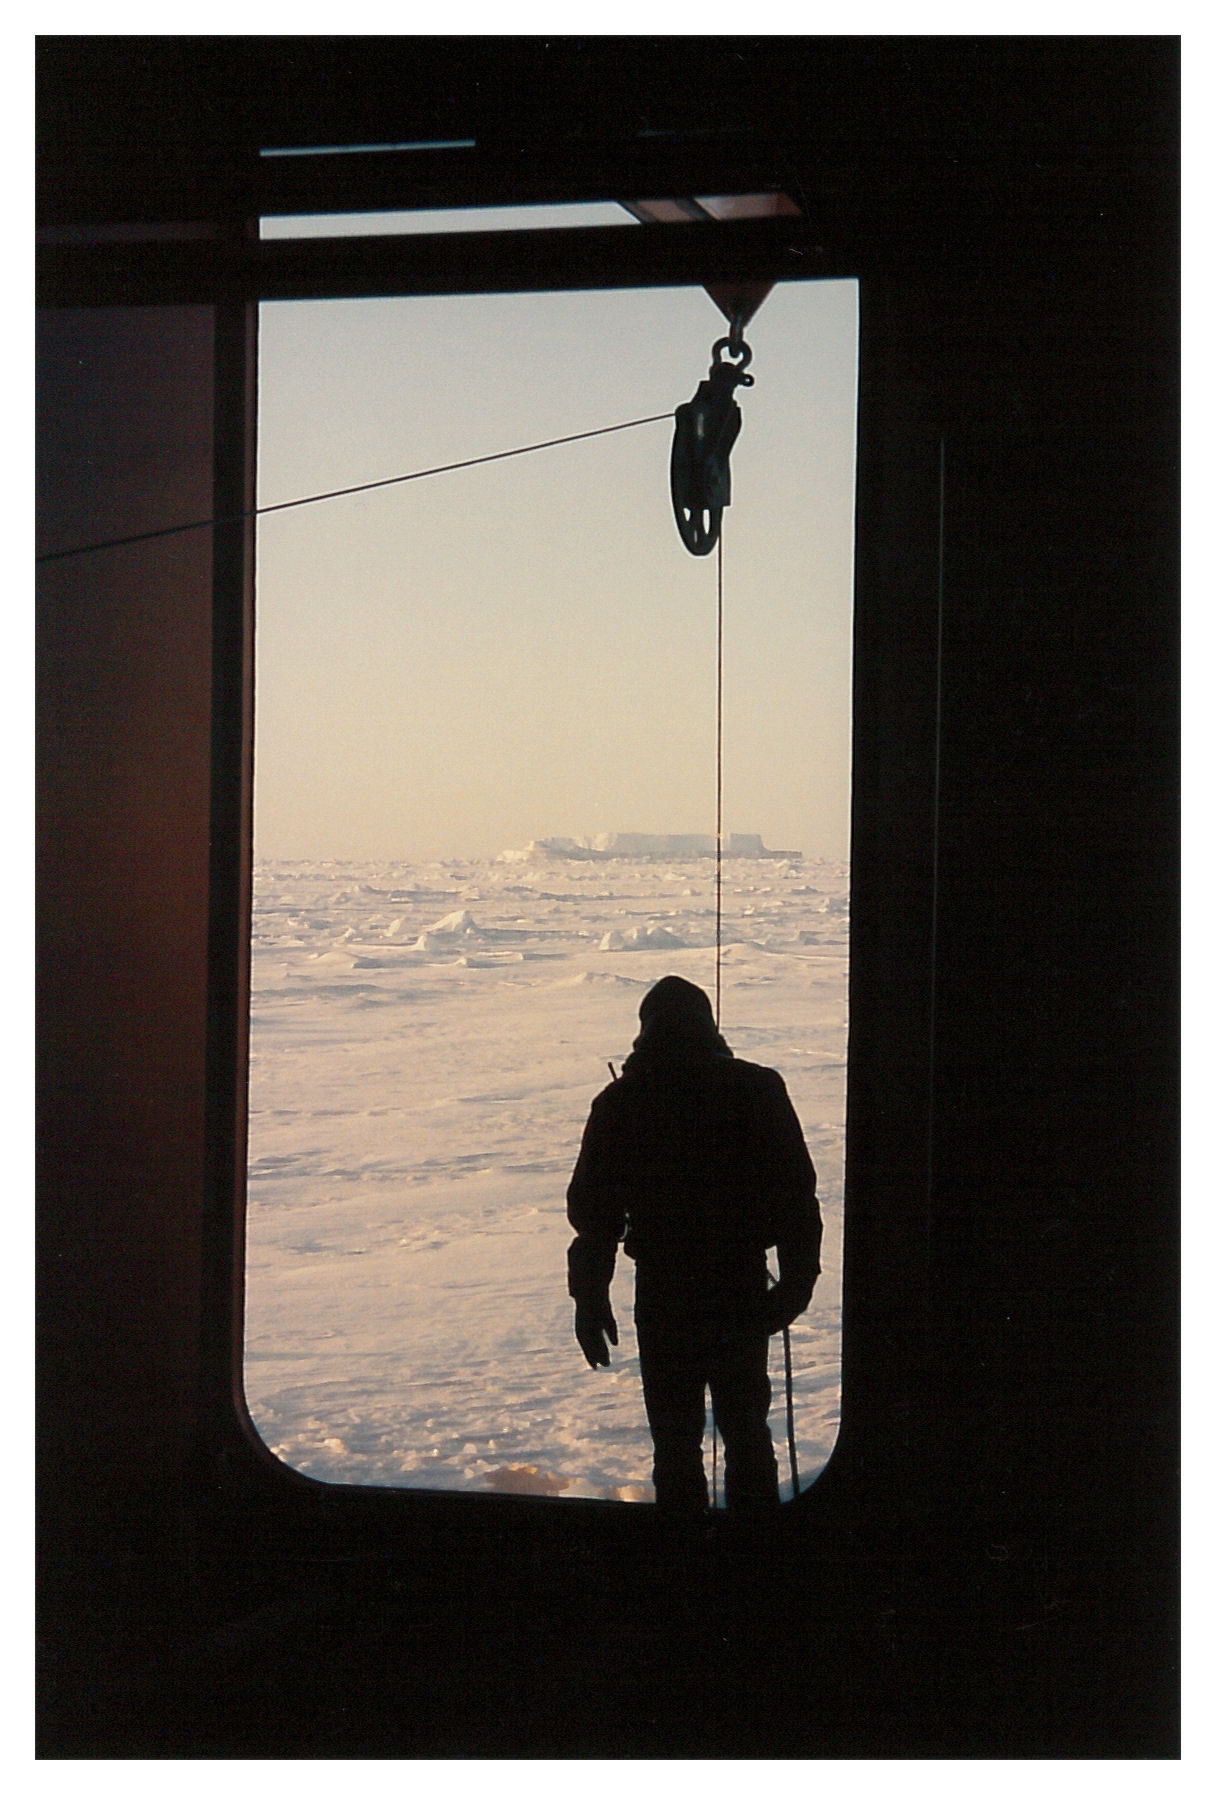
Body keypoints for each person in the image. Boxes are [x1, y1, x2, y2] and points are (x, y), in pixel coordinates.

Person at [566, 975, 822, 1517]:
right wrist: (793, 1290)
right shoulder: (759, 1089)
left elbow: (595, 1221)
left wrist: (590, 1301)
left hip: (664, 1299)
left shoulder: (619, 1103)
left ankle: (681, 1566)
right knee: (749, 1437)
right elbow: (798, 1202)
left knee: (675, 1448)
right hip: (739, 1290)